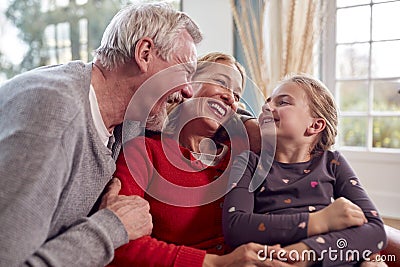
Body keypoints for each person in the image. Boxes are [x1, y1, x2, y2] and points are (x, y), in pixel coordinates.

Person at [0, 2, 202, 266]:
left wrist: (251, 127)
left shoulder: (126, 119)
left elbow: (191, 121)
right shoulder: (54, 112)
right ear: (144, 53)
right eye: (184, 72)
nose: (188, 91)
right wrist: (111, 228)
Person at [108, 52, 294, 267]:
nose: (230, 98)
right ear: (187, 84)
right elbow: (119, 245)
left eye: (236, 95)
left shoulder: (241, 154)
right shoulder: (144, 152)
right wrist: (217, 263)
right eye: (220, 82)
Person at [222, 73, 387, 266]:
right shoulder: (248, 163)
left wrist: (304, 253)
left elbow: (376, 231)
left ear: (315, 125)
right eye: (267, 103)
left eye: (282, 102)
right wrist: (320, 221)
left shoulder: (332, 162)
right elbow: (235, 227)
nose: (267, 107)